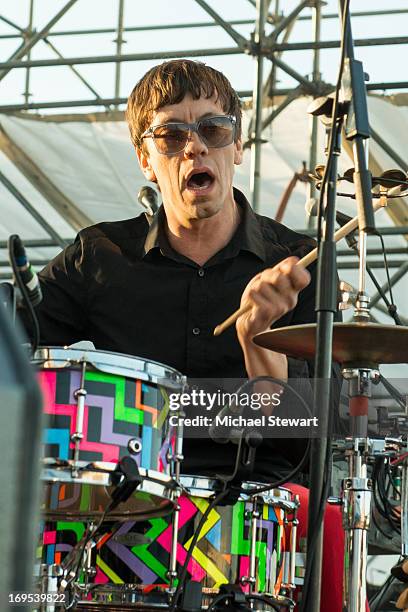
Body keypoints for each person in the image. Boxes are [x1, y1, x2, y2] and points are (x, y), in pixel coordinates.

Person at [21, 59, 347, 610]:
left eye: (212, 130)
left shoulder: (297, 262)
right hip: (121, 505)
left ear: (237, 147)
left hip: (257, 508)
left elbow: (315, 436)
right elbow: (14, 345)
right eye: (172, 135)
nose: (194, 147)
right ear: (147, 159)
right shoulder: (99, 256)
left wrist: (257, 340)